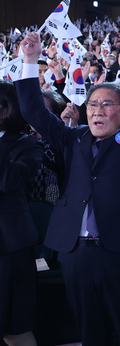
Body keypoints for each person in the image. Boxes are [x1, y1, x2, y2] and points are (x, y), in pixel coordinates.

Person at [15, 32, 120, 346]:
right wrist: (29, 61)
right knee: (88, 331)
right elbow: (33, 111)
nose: (97, 110)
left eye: (107, 105)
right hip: (76, 252)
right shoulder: (72, 138)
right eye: (93, 104)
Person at [0, 81, 43, 346]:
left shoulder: (27, 144)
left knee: (14, 325)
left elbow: (8, 181)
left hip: (9, 245)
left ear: (8, 109)